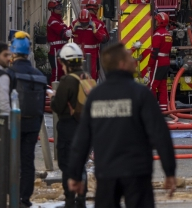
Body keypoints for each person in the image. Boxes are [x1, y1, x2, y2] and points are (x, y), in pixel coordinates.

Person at [68, 43, 177, 207]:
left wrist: (75, 174)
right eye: (129, 57)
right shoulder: (141, 94)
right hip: (137, 172)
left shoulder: (96, 96)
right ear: (122, 64)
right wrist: (169, 171)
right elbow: (160, 134)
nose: (134, 60)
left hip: (106, 172)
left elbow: (82, 139)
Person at [6, 34, 47, 208]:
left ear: (13, 53)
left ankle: (11, 195)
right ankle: (25, 198)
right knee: (27, 160)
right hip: (33, 124)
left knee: (10, 159)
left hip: (12, 124)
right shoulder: (39, 75)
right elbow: (43, 102)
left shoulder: (9, 73)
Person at [51, 43, 91, 208]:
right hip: (86, 128)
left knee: (67, 164)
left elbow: (58, 106)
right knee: (81, 163)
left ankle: (70, 199)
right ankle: (81, 199)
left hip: (69, 127)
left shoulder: (67, 80)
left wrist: (54, 96)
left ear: (65, 62)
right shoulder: (87, 77)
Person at [144, 12, 173, 112]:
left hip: (158, 62)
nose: (155, 22)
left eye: (156, 20)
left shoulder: (157, 35)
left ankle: (151, 109)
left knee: (152, 85)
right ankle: (164, 109)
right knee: (163, 86)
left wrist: (149, 65)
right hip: (166, 62)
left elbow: (154, 52)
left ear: (159, 22)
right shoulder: (168, 35)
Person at [70, 9, 106, 80]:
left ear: (90, 21)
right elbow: (65, 36)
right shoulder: (74, 24)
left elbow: (104, 39)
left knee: (92, 75)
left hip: (92, 55)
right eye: (82, 24)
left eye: (85, 23)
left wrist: (95, 31)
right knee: (77, 75)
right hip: (78, 54)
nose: (84, 26)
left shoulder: (97, 25)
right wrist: (73, 30)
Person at [47, 0, 73, 83]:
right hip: (55, 50)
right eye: (58, 7)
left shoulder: (59, 20)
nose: (60, 9)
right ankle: (53, 93)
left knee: (62, 72)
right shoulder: (53, 21)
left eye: (60, 7)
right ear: (52, 9)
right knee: (56, 73)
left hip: (61, 49)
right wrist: (70, 30)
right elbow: (64, 34)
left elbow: (66, 33)